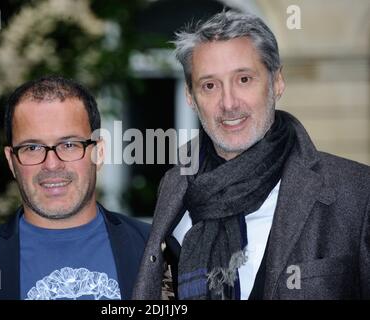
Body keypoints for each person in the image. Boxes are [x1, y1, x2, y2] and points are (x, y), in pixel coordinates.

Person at [133, 10, 370, 300]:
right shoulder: (175, 187)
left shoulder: (357, 191)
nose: (229, 103)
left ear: (277, 82)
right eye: (209, 85)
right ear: (190, 98)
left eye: (244, 79)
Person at [0, 75, 149, 300]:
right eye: (32, 147)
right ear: (11, 161)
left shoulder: (155, 251)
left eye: (69, 145)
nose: (52, 164)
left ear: (99, 153)